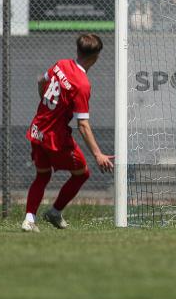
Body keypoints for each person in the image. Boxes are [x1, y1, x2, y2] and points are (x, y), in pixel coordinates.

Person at [23, 34, 114, 232]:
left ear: (78, 51)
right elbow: (83, 125)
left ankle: (29, 219)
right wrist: (98, 154)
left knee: (42, 176)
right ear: (96, 57)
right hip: (56, 138)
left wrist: (48, 105)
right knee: (82, 174)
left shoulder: (61, 64)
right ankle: (54, 212)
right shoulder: (82, 84)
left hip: (37, 129)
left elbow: (41, 81)